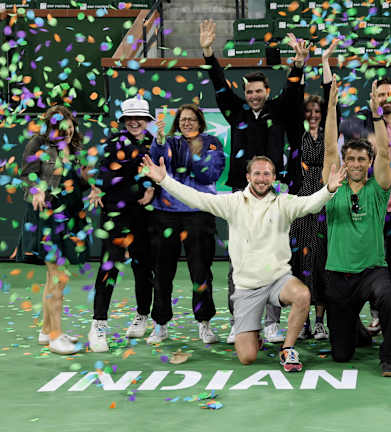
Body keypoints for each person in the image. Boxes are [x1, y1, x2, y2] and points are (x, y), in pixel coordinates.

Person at [141, 153, 345, 371]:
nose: (262, 178)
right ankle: (253, 336)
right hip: (247, 288)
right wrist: (164, 180)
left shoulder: (283, 203)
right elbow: (197, 198)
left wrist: (329, 190)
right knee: (247, 357)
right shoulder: (233, 202)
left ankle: (288, 348)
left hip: (278, 280)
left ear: (274, 178)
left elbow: (310, 204)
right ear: (248, 176)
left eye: (267, 174)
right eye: (257, 173)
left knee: (302, 294)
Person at [199, 19, 309, 344]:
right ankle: (240, 322)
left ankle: (272, 323)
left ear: (267, 92)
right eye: (249, 92)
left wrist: (298, 64)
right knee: (241, 259)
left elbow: (294, 92)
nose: (254, 96)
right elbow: (220, 85)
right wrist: (209, 54)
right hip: (241, 195)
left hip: (274, 195)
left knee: (274, 257)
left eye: (259, 91)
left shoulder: (280, 110)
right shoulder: (237, 112)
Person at [322, 79, 391, 377]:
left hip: (371, 272)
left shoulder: (377, 189)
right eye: (351, 159)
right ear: (344, 162)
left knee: (390, 298)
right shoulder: (334, 187)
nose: (356, 163)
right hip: (338, 275)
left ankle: (389, 356)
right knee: (342, 355)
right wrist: (331, 106)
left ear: (369, 162)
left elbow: (385, 151)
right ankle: (357, 331)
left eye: (361, 159)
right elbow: (329, 146)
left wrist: (377, 115)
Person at [147, 104, 225, 345]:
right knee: (162, 272)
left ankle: (204, 323)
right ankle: (160, 324)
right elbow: (157, 164)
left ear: (200, 122)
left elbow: (209, 174)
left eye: (191, 119)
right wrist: (159, 141)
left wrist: (196, 154)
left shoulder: (212, 143)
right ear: (177, 123)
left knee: (201, 271)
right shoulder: (169, 142)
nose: (187, 123)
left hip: (199, 214)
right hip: (166, 214)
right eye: (183, 120)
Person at [17, 106, 91, 355]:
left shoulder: (75, 149)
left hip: (69, 217)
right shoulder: (37, 143)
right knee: (58, 278)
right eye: (61, 127)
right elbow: (27, 176)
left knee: (54, 278)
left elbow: (78, 184)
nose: (67, 131)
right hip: (47, 216)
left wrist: (87, 180)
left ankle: (47, 331)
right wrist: (36, 190)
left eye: (69, 127)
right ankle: (56, 337)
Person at [340, 76, 391, 337]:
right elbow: (344, 125)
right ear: (374, 99)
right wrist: (371, 121)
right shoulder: (361, 122)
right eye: (380, 95)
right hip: (370, 207)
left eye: (389, 94)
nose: (385, 99)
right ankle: (376, 316)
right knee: (371, 266)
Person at [86, 97, 157, 352]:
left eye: (139, 118)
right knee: (109, 266)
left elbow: (160, 173)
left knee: (143, 265)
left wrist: (152, 187)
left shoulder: (155, 144)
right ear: (124, 121)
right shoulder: (112, 143)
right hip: (115, 214)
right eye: (130, 118)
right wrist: (96, 187)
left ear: (147, 120)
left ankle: (142, 314)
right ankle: (98, 323)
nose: (135, 122)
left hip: (143, 214)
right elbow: (102, 172)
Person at [284, 38, 340, 341]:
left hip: (325, 201)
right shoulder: (297, 134)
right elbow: (294, 98)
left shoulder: (331, 132)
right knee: (302, 261)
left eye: (319, 110)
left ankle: (320, 321)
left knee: (322, 260)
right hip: (300, 203)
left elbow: (332, 98)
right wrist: (300, 63)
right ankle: (302, 319)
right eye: (310, 111)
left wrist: (325, 61)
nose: (315, 114)